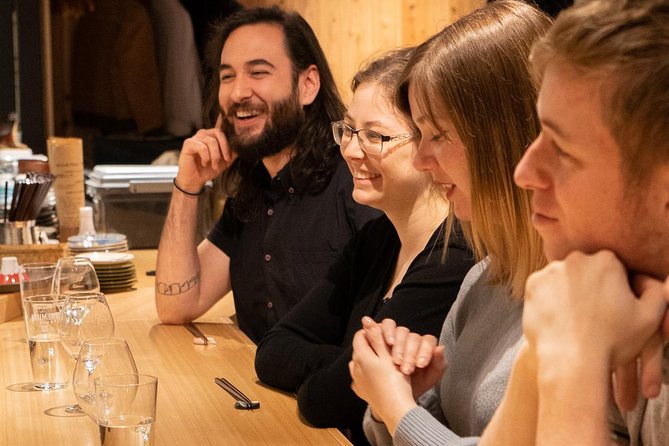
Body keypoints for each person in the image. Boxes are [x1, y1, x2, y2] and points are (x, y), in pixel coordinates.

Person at [348, 1, 551, 444]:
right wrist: (408, 395)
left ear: (506, 137)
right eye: (418, 135)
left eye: (437, 134)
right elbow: (438, 421)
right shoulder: (484, 279)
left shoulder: (584, 300)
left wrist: (396, 407)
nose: (422, 159)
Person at [254, 48, 475, 445]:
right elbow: (272, 350)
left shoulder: (454, 257)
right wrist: (349, 364)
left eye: (376, 136)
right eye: (350, 130)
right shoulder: (378, 238)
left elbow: (325, 402)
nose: (352, 151)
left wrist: (346, 375)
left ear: (428, 144)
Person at [477, 0, 669, 444]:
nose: (523, 172)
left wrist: (572, 358)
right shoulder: (623, 306)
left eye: (561, 149)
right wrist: (539, 354)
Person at [154, 6, 380, 343]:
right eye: (227, 76)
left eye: (258, 72)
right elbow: (176, 305)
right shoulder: (253, 191)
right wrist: (187, 185)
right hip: (252, 391)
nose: (237, 93)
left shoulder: (355, 184)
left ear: (307, 85)